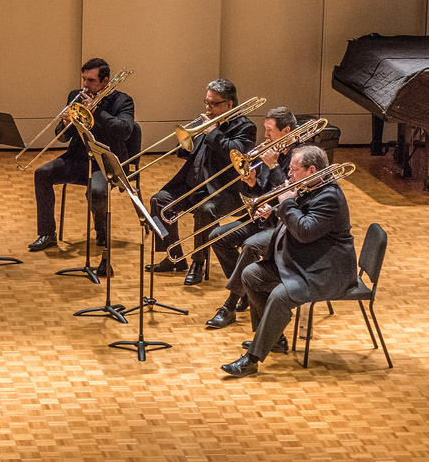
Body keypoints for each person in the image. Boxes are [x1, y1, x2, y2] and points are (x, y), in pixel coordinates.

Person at [220, 145, 357, 377]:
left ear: (311, 169)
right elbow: (296, 220)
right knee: (251, 275)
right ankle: (273, 338)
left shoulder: (330, 197)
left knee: (279, 295)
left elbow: (304, 230)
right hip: (304, 261)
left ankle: (251, 360)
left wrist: (286, 204)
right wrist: (272, 213)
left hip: (326, 271)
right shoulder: (309, 185)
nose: (289, 175)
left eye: (293, 169)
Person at [28, 58, 135, 275]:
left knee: (96, 191)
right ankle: (47, 234)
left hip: (104, 163)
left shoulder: (123, 101)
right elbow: (63, 137)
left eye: (91, 80)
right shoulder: (75, 96)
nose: (85, 85)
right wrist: (66, 123)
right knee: (42, 174)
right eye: (84, 79)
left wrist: (96, 112)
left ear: (105, 81)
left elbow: (125, 130)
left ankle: (102, 234)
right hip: (77, 159)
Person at [148, 78, 256, 285]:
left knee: (205, 210)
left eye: (214, 104)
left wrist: (213, 132)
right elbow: (189, 153)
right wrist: (185, 143)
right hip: (193, 185)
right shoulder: (206, 120)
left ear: (229, 104)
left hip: (222, 191)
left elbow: (236, 153)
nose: (208, 107)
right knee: (159, 200)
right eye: (207, 102)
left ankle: (198, 262)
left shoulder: (245, 127)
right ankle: (174, 257)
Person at [206, 107, 297, 329]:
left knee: (249, 246)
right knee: (218, 236)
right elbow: (262, 191)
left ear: (286, 130)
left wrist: (273, 166)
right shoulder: (270, 151)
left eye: (269, 130)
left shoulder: (299, 158)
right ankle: (244, 289)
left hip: (282, 226)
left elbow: (290, 194)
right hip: (261, 220)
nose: (265, 135)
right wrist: (251, 183)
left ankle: (229, 305)